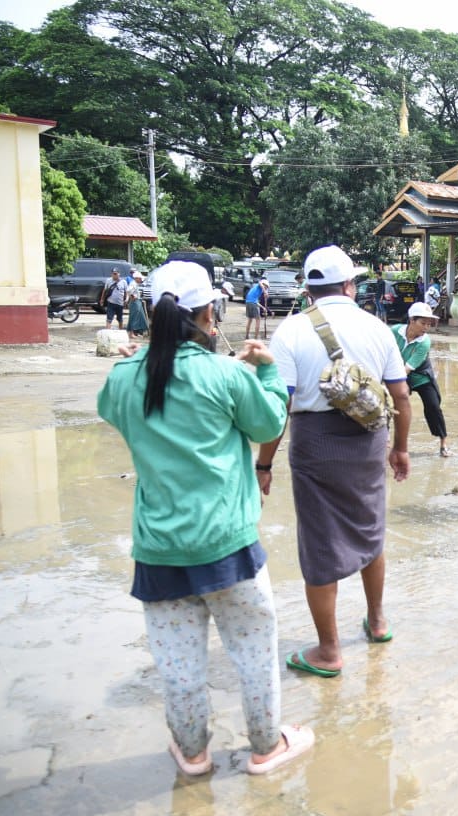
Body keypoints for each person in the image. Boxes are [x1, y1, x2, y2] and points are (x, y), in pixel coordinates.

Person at [97, 260, 313, 776]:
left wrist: (135, 360)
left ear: (151, 311)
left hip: (160, 550)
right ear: (208, 313)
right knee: (254, 652)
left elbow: (110, 407)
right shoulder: (225, 374)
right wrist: (263, 368)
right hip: (229, 546)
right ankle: (266, 746)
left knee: (178, 665)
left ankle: (193, 753)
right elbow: (267, 421)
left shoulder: (126, 379)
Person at [259, 245, 412, 676]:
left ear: (308, 289)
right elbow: (401, 394)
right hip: (368, 441)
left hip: (315, 445)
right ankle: (378, 621)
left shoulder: (290, 331)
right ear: (350, 285)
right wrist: (400, 448)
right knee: (370, 529)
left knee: (320, 542)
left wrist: (264, 464)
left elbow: (278, 407)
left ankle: (329, 652)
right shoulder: (378, 327)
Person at [393, 301, 450, 457]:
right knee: (387, 403)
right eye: (423, 323)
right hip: (397, 373)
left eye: (429, 324)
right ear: (412, 320)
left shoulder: (424, 341)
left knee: (433, 406)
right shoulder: (394, 331)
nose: (426, 327)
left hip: (419, 375)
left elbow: (408, 368)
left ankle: (443, 443)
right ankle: (384, 441)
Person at [126, 270, 149, 338]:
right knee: (134, 318)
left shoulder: (135, 284)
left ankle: (137, 332)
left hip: (137, 301)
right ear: (136, 278)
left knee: (139, 317)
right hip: (135, 302)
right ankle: (131, 333)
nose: (141, 280)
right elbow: (128, 291)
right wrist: (132, 296)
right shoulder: (133, 283)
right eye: (140, 278)